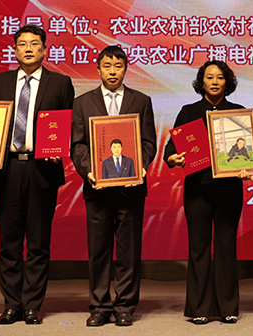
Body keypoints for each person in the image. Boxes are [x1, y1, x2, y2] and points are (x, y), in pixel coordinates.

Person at [0, 24, 74, 325]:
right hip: (7, 168)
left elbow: (67, 124)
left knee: (38, 242)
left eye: (34, 44)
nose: (28, 49)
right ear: (14, 49)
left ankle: (33, 305)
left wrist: (59, 148)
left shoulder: (60, 83)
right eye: (22, 43)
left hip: (42, 169)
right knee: (9, 241)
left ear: (44, 50)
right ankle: (12, 305)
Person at [70, 45, 157, 327]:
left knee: (129, 251)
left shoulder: (141, 100)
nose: (112, 71)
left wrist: (141, 165)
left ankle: (125, 307)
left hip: (131, 188)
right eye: (107, 66)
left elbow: (148, 142)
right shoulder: (83, 103)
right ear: (98, 69)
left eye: (118, 66)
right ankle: (99, 306)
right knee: (98, 251)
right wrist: (89, 171)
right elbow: (78, 145)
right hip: (97, 189)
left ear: (125, 69)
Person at [164, 61, 248, 324]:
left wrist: (246, 167)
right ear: (201, 82)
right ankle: (199, 308)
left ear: (227, 82)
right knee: (199, 248)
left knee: (226, 247)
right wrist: (173, 159)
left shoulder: (238, 112)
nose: (214, 81)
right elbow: (170, 150)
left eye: (220, 77)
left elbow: (247, 153)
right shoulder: (188, 112)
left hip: (229, 188)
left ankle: (227, 307)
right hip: (198, 189)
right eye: (209, 77)